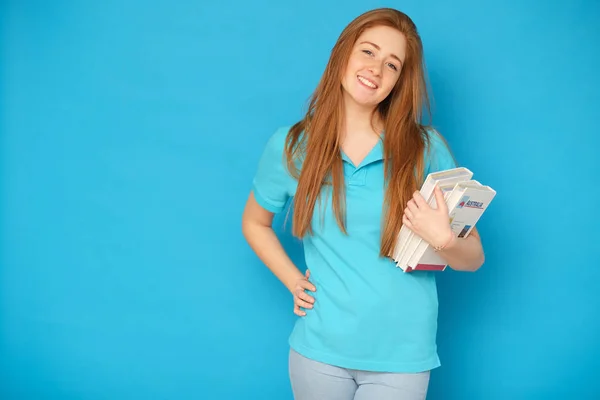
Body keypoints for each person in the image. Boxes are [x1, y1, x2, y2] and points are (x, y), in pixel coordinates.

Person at [242, 7, 485, 400]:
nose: (376, 69)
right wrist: (293, 281)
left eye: (392, 64)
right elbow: (254, 222)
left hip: (402, 356)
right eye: (368, 52)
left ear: (398, 81)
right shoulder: (292, 147)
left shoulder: (427, 150)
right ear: (343, 53)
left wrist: (445, 239)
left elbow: (473, 258)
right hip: (318, 352)